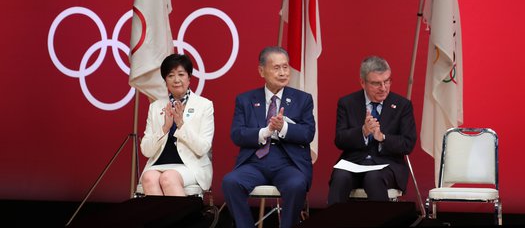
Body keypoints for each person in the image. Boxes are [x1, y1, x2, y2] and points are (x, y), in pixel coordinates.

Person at [222, 46, 315, 228]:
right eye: (276, 68)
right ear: (261, 70)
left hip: (288, 163)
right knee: (230, 182)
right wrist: (265, 131)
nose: (283, 73)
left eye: (285, 67)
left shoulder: (303, 99)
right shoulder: (245, 99)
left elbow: (308, 133)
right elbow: (237, 134)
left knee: (296, 185)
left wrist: (284, 127)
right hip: (255, 162)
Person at [327, 56, 417, 205]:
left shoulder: (402, 105)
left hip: (388, 165)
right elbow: (340, 139)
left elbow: (407, 144)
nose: (383, 88)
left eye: (387, 81)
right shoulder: (347, 103)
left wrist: (382, 137)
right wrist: (362, 132)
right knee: (340, 177)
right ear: (363, 83)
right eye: (376, 83)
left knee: (373, 177)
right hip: (354, 163)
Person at [139, 53, 215, 195]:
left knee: (168, 177)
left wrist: (181, 124)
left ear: (189, 77)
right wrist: (165, 128)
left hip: (191, 165)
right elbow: (146, 150)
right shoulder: (155, 107)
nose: (176, 80)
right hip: (159, 164)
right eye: (170, 76)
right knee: (148, 178)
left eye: (181, 74)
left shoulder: (204, 105)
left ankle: (180, 218)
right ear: (165, 81)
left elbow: (202, 148)